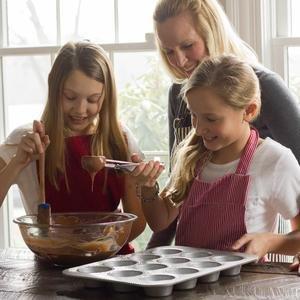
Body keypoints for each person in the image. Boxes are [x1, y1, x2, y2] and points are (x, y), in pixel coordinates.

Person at [147, 0, 300, 250]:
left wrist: (291, 248)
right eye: (168, 51)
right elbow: (180, 189)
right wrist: (153, 257)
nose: (180, 61)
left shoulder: (265, 87)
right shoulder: (179, 92)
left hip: (258, 257)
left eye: (187, 45)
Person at [0, 41, 146, 254]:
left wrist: (137, 182)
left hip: (113, 265)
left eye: (92, 99)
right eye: (70, 97)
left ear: (106, 97)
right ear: (54, 89)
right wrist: (17, 162)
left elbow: (137, 224)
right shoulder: (28, 140)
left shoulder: (119, 139)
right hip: (52, 269)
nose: (80, 109)